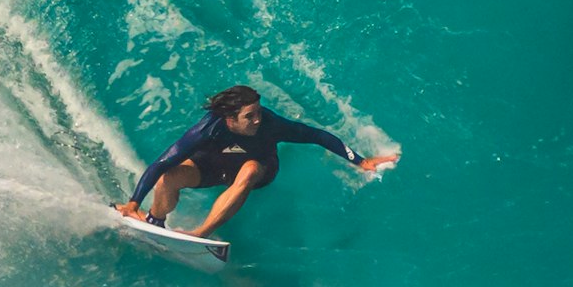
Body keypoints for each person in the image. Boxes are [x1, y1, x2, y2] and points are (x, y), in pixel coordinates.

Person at [119, 84, 396, 238]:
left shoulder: (270, 125)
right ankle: (155, 222)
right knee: (170, 176)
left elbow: (317, 135)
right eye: (249, 116)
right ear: (230, 120)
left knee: (249, 168)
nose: (257, 120)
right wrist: (134, 202)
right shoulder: (208, 129)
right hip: (213, 166)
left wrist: (360, 161)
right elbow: (160, 164)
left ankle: (200, 234)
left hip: (258, 170)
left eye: (258, 112)